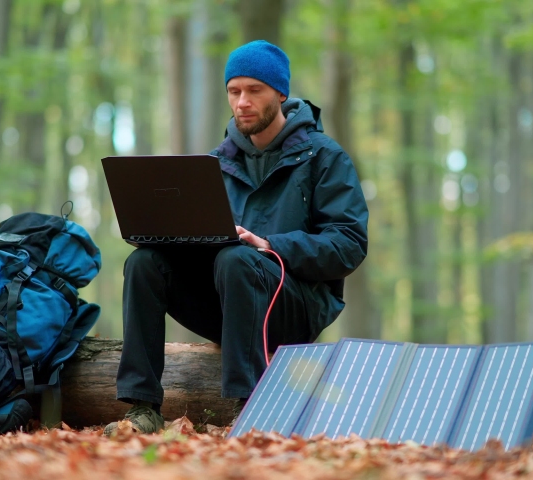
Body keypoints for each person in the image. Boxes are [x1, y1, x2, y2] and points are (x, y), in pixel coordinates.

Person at [103, 40, 369, 435]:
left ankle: (249, 410)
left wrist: (270, 244)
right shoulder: (214, 165)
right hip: (228, 302)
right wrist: (164, 237)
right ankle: (142, 408)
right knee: (144, 263)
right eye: (234, 91)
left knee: (237, 257)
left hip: (294, 305)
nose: (242, 101)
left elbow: (349, 244)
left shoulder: (324, 157)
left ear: (280, 92)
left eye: (254, 90)